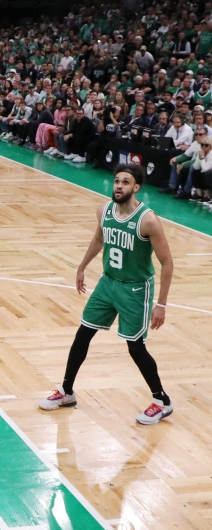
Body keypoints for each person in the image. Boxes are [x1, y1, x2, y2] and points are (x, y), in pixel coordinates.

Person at [40, 164, 174, 425]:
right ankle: (67, 391)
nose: (119, 186)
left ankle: (162, 401)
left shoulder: (148, 220)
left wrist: (161, 304)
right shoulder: (104, 210)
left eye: (125, 182)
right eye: (116, 181)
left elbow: (167, 262)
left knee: (135, 347)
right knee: (83, 334)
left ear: (136, 188)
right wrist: (81, 267)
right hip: (107, 283)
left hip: (135, 288)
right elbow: (99, 240)